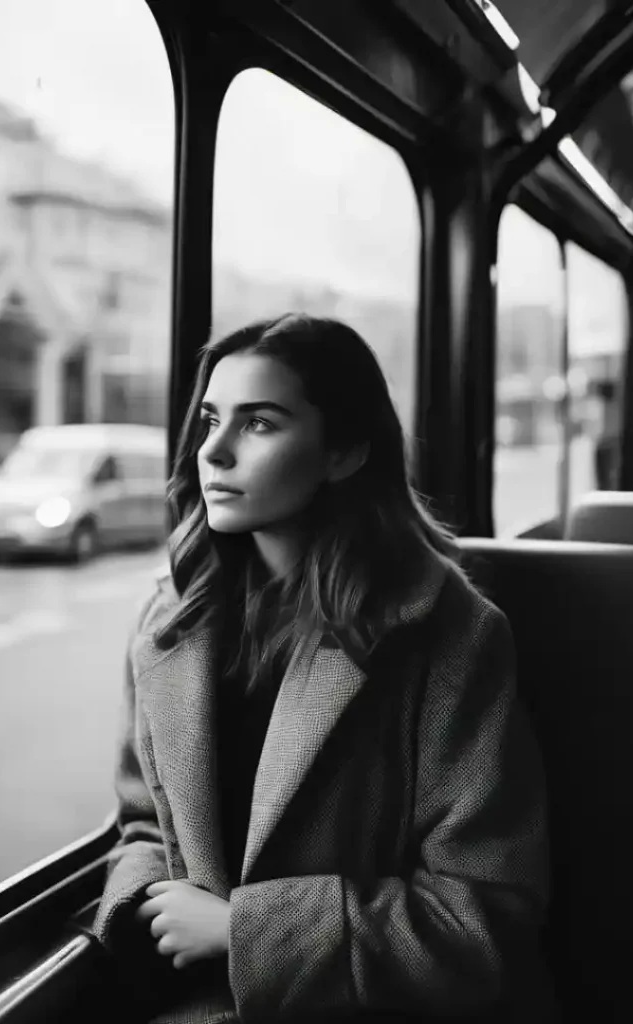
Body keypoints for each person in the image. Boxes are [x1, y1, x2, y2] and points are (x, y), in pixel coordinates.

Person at [91, 314, 553, 1023]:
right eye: (211, 419)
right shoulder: (172, 623)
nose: (212, 452)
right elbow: (145, 823)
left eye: (261, 424)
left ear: (344, 452)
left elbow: (484, 915)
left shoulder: (449, 638)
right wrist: (144, 911)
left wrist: (242, 933)